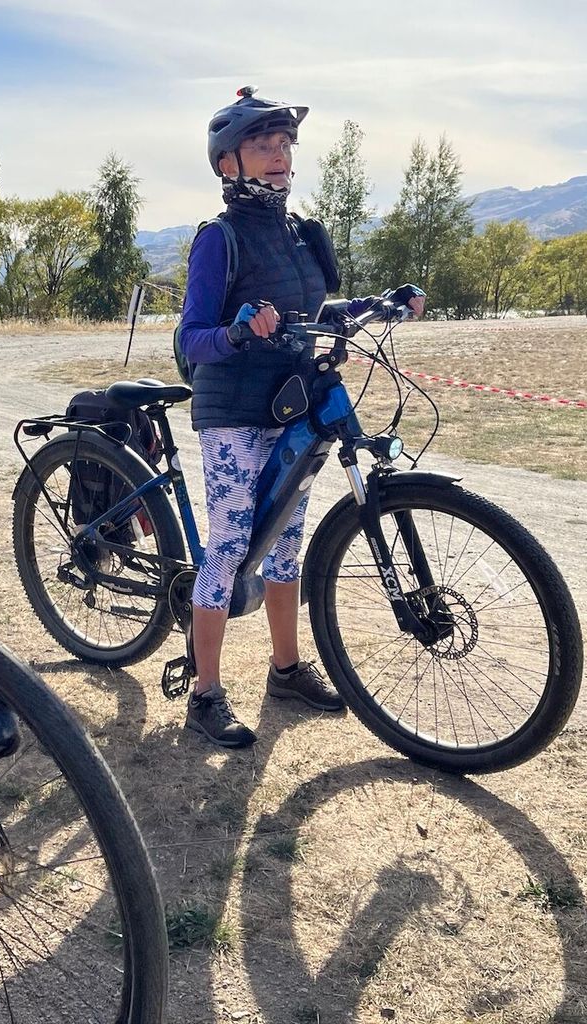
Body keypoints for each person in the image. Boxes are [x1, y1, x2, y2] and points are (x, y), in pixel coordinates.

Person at [174, 88, 423, 748]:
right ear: (228, 163)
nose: (279, 154)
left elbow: (317, 313)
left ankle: (285, 670)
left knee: (287, 544)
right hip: (233, 409)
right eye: (262, 144)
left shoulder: (299, 234)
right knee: (230, 546)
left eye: (284, 143)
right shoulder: (219, 240)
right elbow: (192, 338)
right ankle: (204, 694)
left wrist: (380, 303)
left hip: (290, 403)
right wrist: (237, 331)